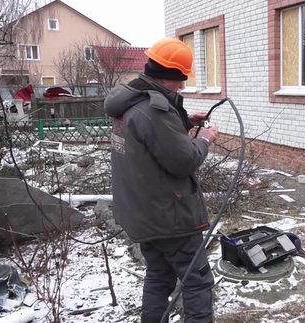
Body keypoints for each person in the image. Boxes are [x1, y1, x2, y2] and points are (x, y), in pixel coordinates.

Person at [104, 37, 217, 323]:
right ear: (170, 77)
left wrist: (185, 122)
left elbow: (152, 140)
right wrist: (203, 140)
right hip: (170, 218)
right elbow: (184, 162)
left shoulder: (130, 101)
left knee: (159, 276)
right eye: (181, 81)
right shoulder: (155, 111)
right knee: (197, 281)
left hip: (143, 214)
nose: (182, 86)